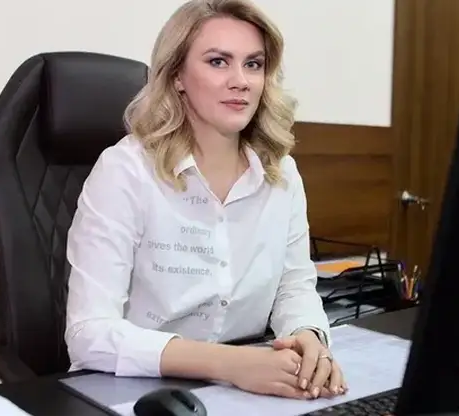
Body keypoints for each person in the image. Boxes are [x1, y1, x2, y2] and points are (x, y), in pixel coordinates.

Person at [64, 0, 346, 401]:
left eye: (253, 64)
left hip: (247, 389)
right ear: (177, 75)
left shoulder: (281, 173)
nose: (241, 81)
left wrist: (307, 335)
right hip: (136, 392)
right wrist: (230, 364)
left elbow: (294, 286)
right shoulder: (125, 171)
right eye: (218, 62)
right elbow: (87, 333)